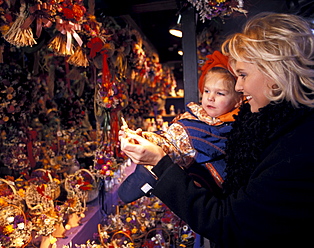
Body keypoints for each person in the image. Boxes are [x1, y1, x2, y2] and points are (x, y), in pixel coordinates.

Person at [119, 12, 314, 248]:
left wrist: (160, 163)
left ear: (275, 74)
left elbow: (231, 223)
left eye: (242, 75)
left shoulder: (297, 149)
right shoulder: (264, 126)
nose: (240, 87)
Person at [118, 50, 242, 204]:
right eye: (207, 91)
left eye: (220, 93)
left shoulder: (235, 127)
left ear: (238, 100)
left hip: (215, 200)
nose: (210, 97)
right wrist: (145, 138)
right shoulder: (196, 119)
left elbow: (178, 142)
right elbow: (172, 139)